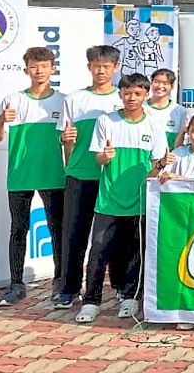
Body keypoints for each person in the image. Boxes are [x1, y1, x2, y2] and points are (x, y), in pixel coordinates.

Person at [75, 73, 167, 323]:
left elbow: (156, 166)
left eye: (137, 93)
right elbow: (98, 158)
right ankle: (91, 301)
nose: (132, 98)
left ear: (146, 95)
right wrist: (104, 156)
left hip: (139, 202)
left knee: (135, 253)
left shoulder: (154, 125)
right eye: (127, 93)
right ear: (120, 94)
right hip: (108, 202)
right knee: (98, 251)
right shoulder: (106, 121)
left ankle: (130, 297)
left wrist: (161, 166)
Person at [0, 47, 67, 307]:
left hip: (53, 175)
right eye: (34, 66)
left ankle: (60, 282)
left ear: (53, 69)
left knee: (57, 230)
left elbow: (68, 140)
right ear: (26, 70)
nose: (39, 71)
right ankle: (16, 284)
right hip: (20, 175)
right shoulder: (12, 100)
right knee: (18, 230)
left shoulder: (63, 101)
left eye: (44, 66)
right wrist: (2, 120)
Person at [54, 45, 123, 310]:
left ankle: (119, 287)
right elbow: (66, 142)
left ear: (116, 68)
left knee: (113, 237)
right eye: (96, 65)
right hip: (80, 174)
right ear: (89, 67)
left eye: (106, 65)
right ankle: (69, 289)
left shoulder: (124, 98)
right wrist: (66, 140)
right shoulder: (74, 99)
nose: (101, 70)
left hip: (113, 178)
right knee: (74, 235)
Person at [146, 69, 185, 148]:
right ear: (151, 83)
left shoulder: (180, 111)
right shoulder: (141, 107)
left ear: (172, 86)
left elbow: (182, 140)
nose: (160, 86)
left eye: (165, 83)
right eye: (156, 82)